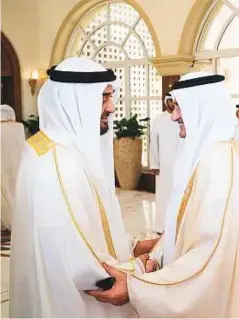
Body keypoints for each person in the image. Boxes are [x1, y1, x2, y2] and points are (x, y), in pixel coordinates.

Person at [86, 72, 239, 318]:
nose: (174, 115)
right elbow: (183, 225)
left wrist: (139, 287)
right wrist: (157, 257)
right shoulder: (204, 153)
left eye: (180, 107)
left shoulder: (222, 161)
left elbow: (210, 253)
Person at [10, 57, 160, 318]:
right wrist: (141, 270)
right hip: (79, 305)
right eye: (103, 98)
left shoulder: (51, 149)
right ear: (74, 99)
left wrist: (135, 246)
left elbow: (90, 228)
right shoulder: (58, 163)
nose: (112, 108)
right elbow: (80, 265)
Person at [149, 92, 181, 232]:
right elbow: (153, 143)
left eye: (174, 100)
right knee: (163, 197)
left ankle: (177, 226)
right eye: (169, 100)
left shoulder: (182, 119)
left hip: (180, 164)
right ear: (165, 102)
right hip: (163, 166)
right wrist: (154, 164)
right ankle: (161, 227)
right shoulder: (158, 120)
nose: (172, 103)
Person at [1, 105, 25, 231]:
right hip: (18, 163)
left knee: (4, 192)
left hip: (3, 163)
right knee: (14, 191)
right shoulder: (19, 127)